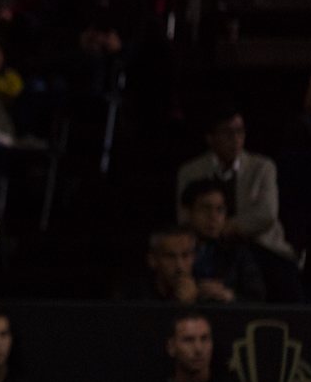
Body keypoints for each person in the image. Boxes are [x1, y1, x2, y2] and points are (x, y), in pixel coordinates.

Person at [177, 107, 300, 301]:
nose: (236, 139)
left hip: (259, 243)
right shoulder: (191, 171)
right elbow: (183, 214)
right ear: (210, 138)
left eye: (240, 132)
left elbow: (265, 215)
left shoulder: (262, 167)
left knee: (279, 273)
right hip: (206, 243)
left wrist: (224, 227)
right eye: (227, 132)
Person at [181, 178, 266, 302]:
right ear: (187, 212)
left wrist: (230, 296)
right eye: (206, 208)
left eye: (219, 210)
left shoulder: (237, 252)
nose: (214, 217)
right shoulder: (171, 247)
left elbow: (257, 297)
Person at [119, 225, 199, 302]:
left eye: (185, 255)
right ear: (152, 259)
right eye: (170, 257)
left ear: (194, 257)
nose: (179, 266)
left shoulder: (204, 295)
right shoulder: (133, 298)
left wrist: (192, 303)